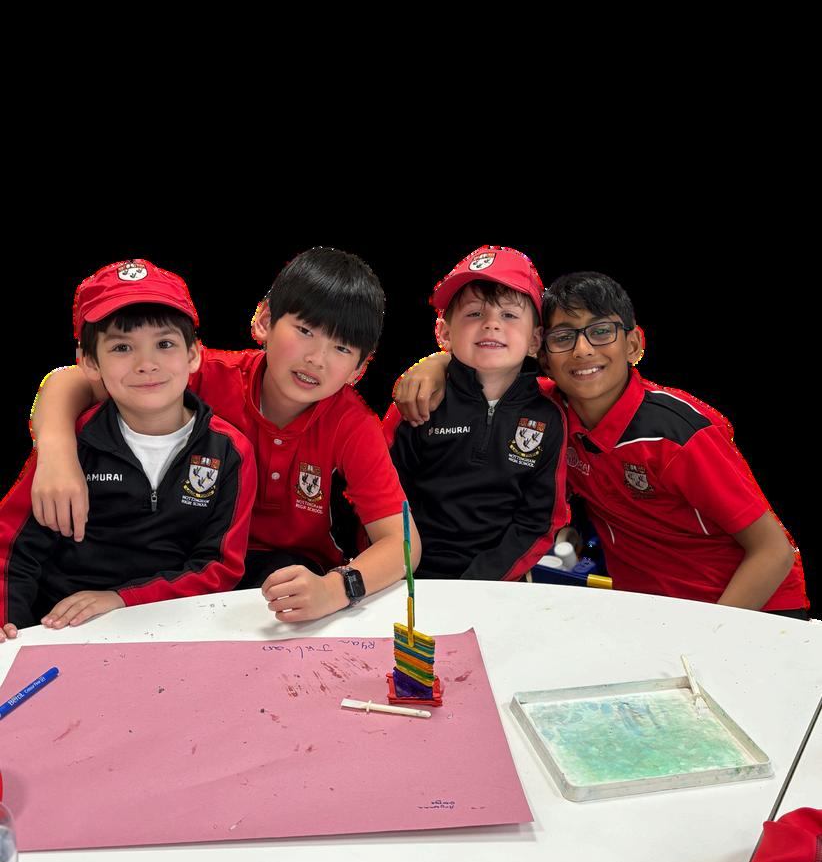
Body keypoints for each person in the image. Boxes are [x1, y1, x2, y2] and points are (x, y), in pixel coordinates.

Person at [26, 248, 420, 624]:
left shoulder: (352, 423)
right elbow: (70, 380)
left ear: (359, 370)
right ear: (264, 320)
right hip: (187, 565)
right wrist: (57, 453)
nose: (316, 358)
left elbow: (403, 544)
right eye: (304, 330)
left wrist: (335, 589)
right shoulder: (204, 375)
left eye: (341, 348)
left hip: (291, 577)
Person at [394, 271, 807, 614]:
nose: (582, 350)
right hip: (647, 610)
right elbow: (487, 381)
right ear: (543, 354)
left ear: (634, 344)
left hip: (751, 611)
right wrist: (437, 363)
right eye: (564, 337)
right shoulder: (549, 413)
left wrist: (710, 636)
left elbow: (774, 552)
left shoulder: (678, 434)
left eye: (601, 332)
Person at [0, 258, 256, 641]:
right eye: (122, 347)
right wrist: (9, 630)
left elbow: (218, 567)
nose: (146, 364)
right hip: (64, 626)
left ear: (193, 355)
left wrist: (123, 600)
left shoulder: (230, 451)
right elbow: (12, 552)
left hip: (173, 624)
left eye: (164, 344)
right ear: (89, 363)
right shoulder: (72, 444)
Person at [383, 245, 567, 579]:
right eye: (474, 313)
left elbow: (538, 521)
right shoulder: (417, 401)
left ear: (535, 339)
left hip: (498, 581)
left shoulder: (549, 416)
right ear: (444, 332)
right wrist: (398, 572)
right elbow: (381, 501)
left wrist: (481, 584)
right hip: (409, 576)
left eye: (509, 315)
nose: (491, 324)